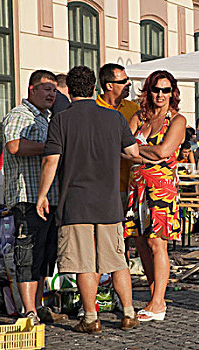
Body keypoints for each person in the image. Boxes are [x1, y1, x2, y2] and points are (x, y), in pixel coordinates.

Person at [36, 66, 140, 333]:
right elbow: (132, 151)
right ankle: (128, 313)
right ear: (94, 88)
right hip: (108, 202)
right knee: (117, 260)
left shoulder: (61, 119)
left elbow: (51, 160)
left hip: (77, 203)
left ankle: (91, 318)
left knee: (84, 263)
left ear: (69, 91)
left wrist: (42, 195)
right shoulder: (114, 118)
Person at [2, 69, 67, 325]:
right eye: (47, 88)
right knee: (27, 256)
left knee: (44, 257)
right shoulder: (20, 115)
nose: (52, 94)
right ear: (32, 89)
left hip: (48, 198)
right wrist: (52, 147)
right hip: (26, 198)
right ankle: (28, 310)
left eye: (54, 89)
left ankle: (38, 306)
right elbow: (15, 146)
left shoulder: (47, 118)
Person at [125, 70, 186, 322]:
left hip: (162, 189)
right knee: (140, 242)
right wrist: (143, 153)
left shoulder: (177, 120)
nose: (161, 94)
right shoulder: (139, 117)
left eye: (166, 89)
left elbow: (163, 151)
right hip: (136, 186)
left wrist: (138, 150)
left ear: (173, 92)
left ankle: (159, 303)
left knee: (157, 242)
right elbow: (122, 148)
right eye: (156, 89)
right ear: (148, 91)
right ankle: (153, 295)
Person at [96, 63, 140, 206]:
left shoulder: (134, 109)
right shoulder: (94, 108)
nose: (128, 84)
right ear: (109, 86)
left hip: (131, 184)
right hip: (103, 185)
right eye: (123, 81)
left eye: (128, 80)